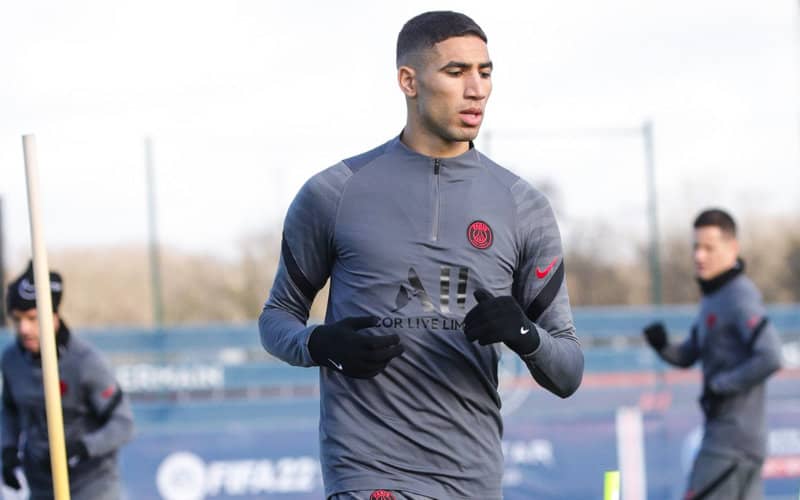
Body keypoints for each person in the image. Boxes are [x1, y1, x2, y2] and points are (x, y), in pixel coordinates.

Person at [259, 11, 583, 500]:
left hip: (473, 480)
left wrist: (524, 334)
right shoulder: (334, 193)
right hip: (369, 474)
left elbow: (569, 371)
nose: (476, 89)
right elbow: (276, 318)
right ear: (408, 81)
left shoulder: (523, 205)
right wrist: (319, 344)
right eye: (456, 72)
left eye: (485, 72)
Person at [642, 209, 782, 500]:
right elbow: (688, 354)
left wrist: (721, 385)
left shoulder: (738, 295)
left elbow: (771, 355)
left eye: (709, 247)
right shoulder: (714, 296)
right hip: (736, 441)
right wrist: (662, 346)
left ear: (733, 248)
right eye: (696, 247)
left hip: (730, 443)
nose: (699, 256)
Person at [2, 263, 134, 500]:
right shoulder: (11, 361)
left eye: (33, 318)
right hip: (41, 486)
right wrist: (8, 451)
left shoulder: (85, 362)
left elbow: (123, 424)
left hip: (93, 487)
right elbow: (9, 411)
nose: (24, 329)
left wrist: (82, 448)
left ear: (54, 317)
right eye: (17, 319)